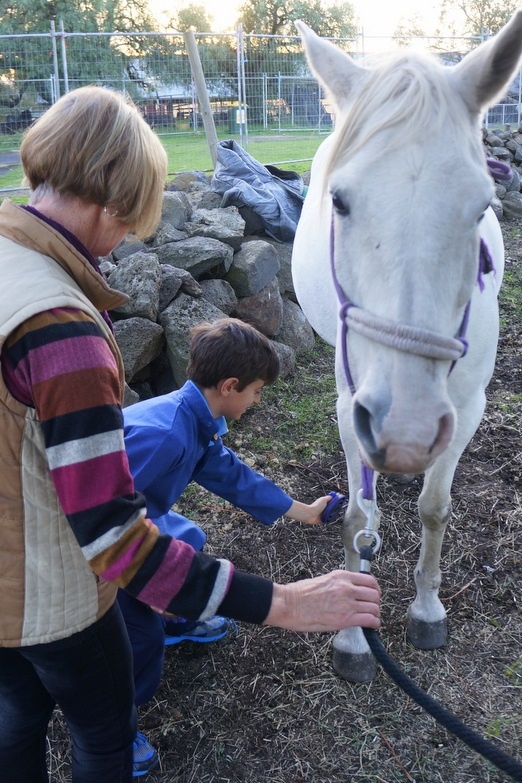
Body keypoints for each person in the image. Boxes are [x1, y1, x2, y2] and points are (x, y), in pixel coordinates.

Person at [0, 86, 381, 783]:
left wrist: (294, 510)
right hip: (52, 600)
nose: (123, 242)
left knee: (15, 723)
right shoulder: (62, 329)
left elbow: (223, 471)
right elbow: (117, 539)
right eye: (132, 220)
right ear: (113, 199)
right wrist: (285, 602)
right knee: (105, 736)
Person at [120, 317, 339, 770]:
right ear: (230, 385)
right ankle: (112, 729)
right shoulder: (163, 436)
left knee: (190, 537)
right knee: (138, 644)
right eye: (257, 391)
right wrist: (154, 587)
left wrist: (305, 511)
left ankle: (175, 622)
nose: (258, 401)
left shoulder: (195, 419)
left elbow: (232, 476)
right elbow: (104, 516)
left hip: (132, 517)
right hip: (88, 543)